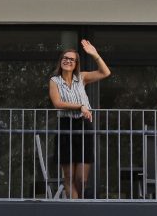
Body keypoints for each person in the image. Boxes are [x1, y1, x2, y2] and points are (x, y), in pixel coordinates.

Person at [48, 39, 111, 199]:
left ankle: (80, 206)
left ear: (76, 64)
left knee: (81, 180)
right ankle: (74, 210)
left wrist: (95, 54)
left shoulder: (82, 78)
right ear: (61, 61)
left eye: (72, 59)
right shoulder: (54, 81)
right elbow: (57, 103)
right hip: (65, 127)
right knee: (68, 178)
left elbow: (105, 72)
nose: (68, 61)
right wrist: (80, 106)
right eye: (65, 58)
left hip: (84, 126)